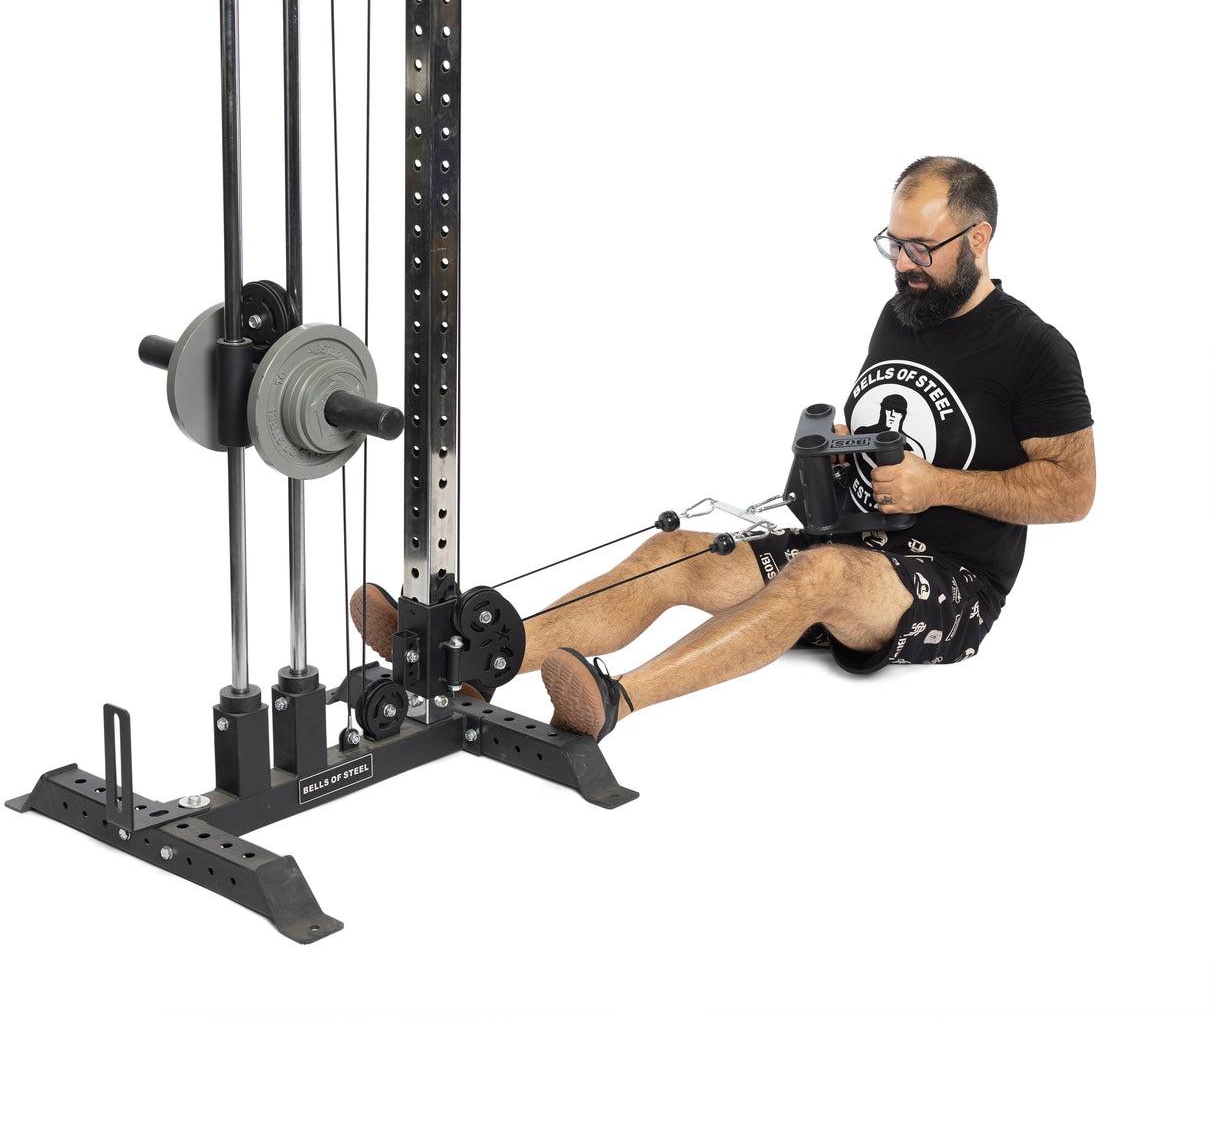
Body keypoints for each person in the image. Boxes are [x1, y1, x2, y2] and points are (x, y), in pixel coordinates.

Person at [353, 156, 1095, 741]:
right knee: (668, 554)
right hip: (849, 540)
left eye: (922, 248)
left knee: (821, 571)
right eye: (892, 244)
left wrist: (939, 487)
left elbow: (1074, 492)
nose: (903, 264)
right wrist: (838, 454)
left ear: (980, 237)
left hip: (951, 586)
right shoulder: (903, 313)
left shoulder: (1036, 350)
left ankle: (616, 700)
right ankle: (476, 663)